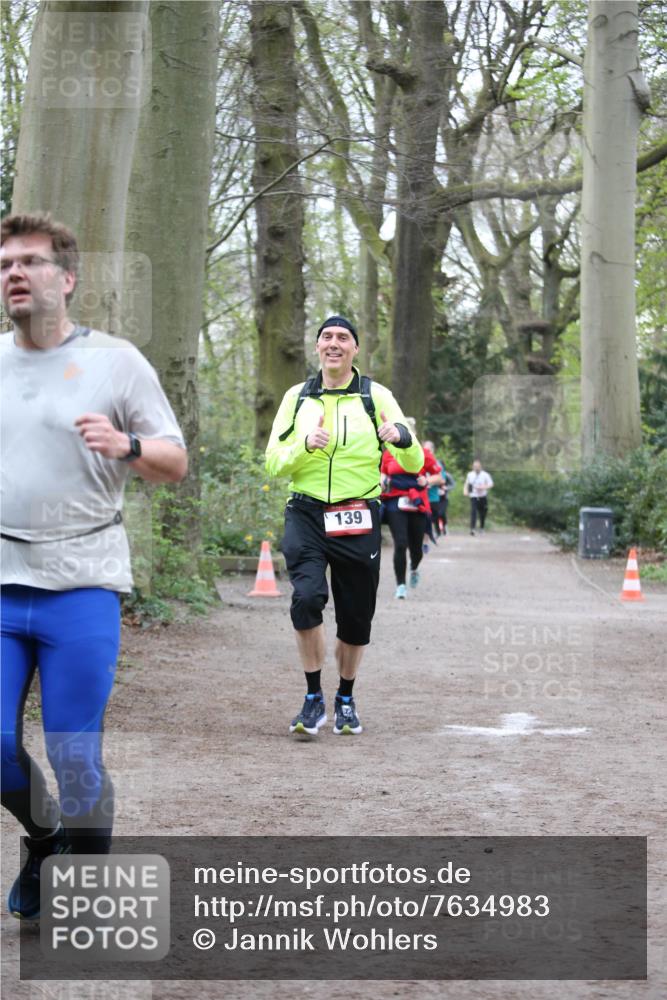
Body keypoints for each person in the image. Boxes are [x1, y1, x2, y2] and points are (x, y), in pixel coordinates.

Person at [1, 212, 187, 919]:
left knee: (75, 757)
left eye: (29, 261)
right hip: (1, 580)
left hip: (81, 585)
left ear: (67, 279)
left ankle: (84, 880)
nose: (14, 273)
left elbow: (174, 461)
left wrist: (127, 446)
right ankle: (46, 840)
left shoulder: (116, 362)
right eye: (4, 264)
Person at [266, 316, 423, 738]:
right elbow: (273, 461)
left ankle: (346, 698)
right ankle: (314, 696)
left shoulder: (377, 397)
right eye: (326, 338)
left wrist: (402, 438)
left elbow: (415, 464)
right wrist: (303, 445)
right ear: (317, 348)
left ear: (355, 349)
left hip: (358, 514)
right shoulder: (297, 398)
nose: (334, 344)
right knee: (306, 598)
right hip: (306, 512)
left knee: (355, 618)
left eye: (343, 338)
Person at [381, 441, 443, 598]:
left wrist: (427, 481)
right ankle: (400, 585)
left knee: (416, 548)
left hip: (418, 502)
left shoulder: (422, 452)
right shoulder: (389, 452)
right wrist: (382, 482)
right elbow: (383, 474)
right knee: (400, 544)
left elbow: (439, 476)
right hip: (395, 502)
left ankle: (414, 567)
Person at [423, 440, 455, 539]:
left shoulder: (437, 463)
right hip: (422, 496)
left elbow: (442, 480)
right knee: (422, 518)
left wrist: (429, 481)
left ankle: (437, 531)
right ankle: (426, 536)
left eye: (429, 449)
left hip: (433, 496)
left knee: (435, 516)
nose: (426, 451)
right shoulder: (419, 460)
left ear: (433, 450)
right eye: (425, 449)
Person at [463, 458, 494, 534]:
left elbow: (491, 484)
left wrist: (483, 487)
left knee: (483, 513)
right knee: (473, 511)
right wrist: (465, 490)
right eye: (474, 466)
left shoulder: (485, 474)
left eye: (477, 466)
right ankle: (472, 529)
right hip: (474, 496)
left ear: (480, 466)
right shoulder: (470, 474)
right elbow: (467, 483)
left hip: (483, 496)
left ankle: (482, 527)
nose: (476, 468)